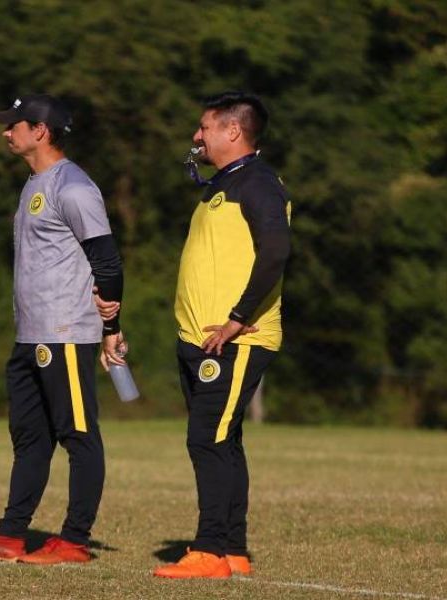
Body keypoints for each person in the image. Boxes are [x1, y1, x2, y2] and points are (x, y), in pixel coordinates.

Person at [0, 94, 126, 565]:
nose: (6, 132)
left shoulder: (75, 187)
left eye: (14, 125)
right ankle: (9, 534)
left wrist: (111, 327)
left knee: (78, 435)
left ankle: (74, 540)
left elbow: (107, 262)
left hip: (65, 333)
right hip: (30, 334)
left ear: (40, 131)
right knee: (29, 438)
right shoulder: (34, 184)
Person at [153, 91, 290, 579]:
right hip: (201, 340)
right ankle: (232, 550)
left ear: (233, 131)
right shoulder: (224, 182)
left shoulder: (259, 182)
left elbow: (276, 250)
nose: (197, 135)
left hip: (235, 340)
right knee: (223, 440)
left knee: (206, 439)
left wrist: (237, 316)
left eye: (205, 127)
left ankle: (209, 550)